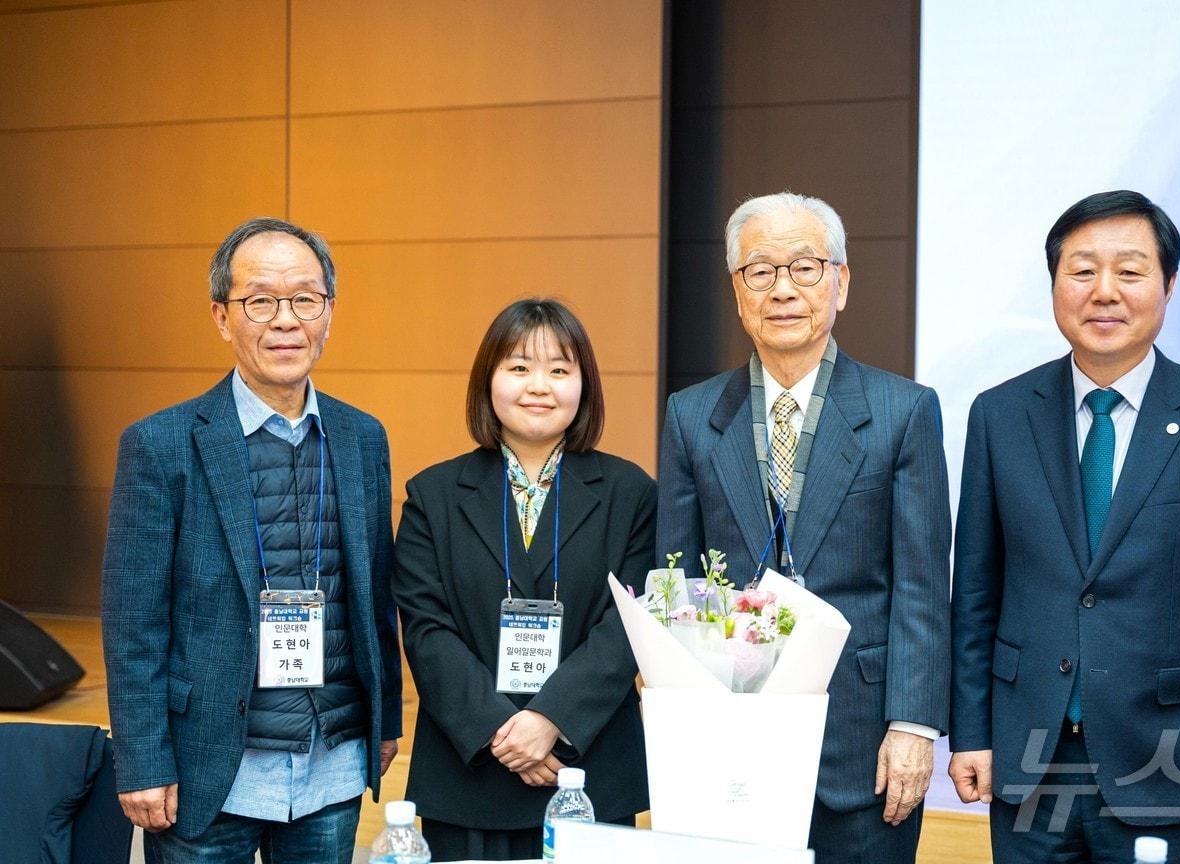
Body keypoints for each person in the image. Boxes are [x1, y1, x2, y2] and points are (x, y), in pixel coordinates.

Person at [947, 190, 1180, 862]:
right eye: (1082, 271)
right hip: (1030, 760)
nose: (1104, 292)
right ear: (1055, 284)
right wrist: (971, 732)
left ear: (1167, 285)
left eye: (1130, 272)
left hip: (1170, 765)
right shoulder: (999, 416)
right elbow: (977, 596)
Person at [657, 192, 952, 863]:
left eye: (805, 268)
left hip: (863, 743)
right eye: (760, 271)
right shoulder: (691, 416)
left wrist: (912, 726)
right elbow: (674, 581)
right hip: (731, 738)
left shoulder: (904, 411)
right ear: (737, 291)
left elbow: (923, 586)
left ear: (840, 282)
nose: (783, 288)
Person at [101, 217, 403, 863]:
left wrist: (386, 721)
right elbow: (135, 624)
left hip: (331, 762)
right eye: (260, 300)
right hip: (207, 768)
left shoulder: (362, 437)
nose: (286, 320)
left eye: (305, 298)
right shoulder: (162, 445)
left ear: (329, 312)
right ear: (221, 316)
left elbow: (377, 596)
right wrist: (142, 759)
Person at [393, 298, 653, 860]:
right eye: (518, 367)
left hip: (589, 772)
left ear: (585, 385)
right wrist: (503, 732)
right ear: (489, 379)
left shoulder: (631, 493)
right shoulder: (432, 496)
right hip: (470, 774)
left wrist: (549, 720)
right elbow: (426, 630)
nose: (540, 385)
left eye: (559, 370)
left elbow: (626, 627)